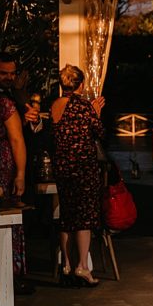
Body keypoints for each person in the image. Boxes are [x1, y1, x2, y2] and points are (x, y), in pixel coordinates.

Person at [51, 65, 105, 287]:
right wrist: (96, 113)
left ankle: (66, 264)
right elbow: (99, 132)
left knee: (67, 216)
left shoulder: (55, 105)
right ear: (81, 85)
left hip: (62, 168)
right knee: (84, 217)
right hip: (83, 168)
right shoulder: (83, 106)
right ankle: (82, 265)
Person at [0, 55, 43, 296]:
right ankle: (5, 280)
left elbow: (19, 134)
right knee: (5, 218)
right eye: (3, 73)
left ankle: (8, 279)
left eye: (12, 73)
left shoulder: (13, 97)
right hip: (2, 165)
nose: (9, 77)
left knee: (9, 219)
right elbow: (15, 138)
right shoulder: (3, 101)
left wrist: (27, 119)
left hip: (6, 163)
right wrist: (20, 174)